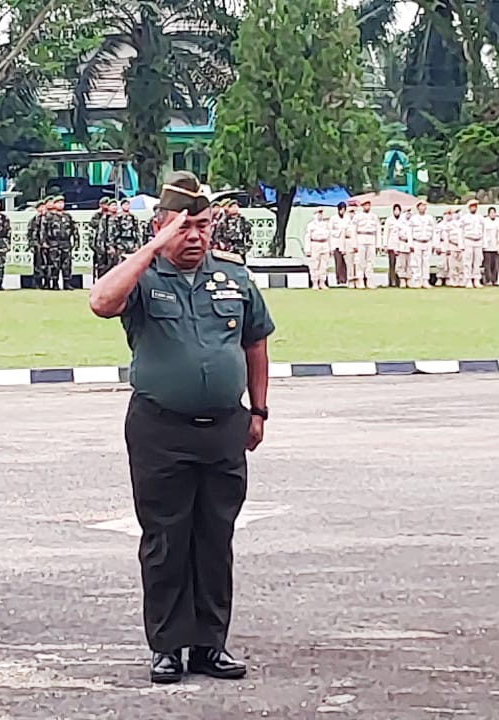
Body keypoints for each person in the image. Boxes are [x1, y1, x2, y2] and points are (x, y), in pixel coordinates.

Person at [88, 171, 274, 685]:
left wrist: (258, 410)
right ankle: (167, 645)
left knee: (215, 537)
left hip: (223, 428)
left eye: (203, 226)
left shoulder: (234, 277)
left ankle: (210, 645)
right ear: (162, 227)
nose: (194, 236)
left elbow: (256, 344)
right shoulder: (142, 278)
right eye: (183, 227)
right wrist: (154, 247)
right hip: (160, 428)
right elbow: (101, 303)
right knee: (166, 539)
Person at [350, 199, 379, 289]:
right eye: (365, 205)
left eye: (368, 205)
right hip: (361, 238)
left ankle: (369, 281)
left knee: (370, 262)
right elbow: (353, 231)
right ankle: (360, 281)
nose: (367, 207)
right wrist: (354, 244)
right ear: (362, 206)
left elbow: (378, 231)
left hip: (371, 239)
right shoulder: (357, 217)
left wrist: (378, 245)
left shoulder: (374, 216)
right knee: (360, 262)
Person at [407, 201, 435, 289]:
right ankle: (417, 280)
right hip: (417, 242)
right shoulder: (413, 219)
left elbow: (434, 231)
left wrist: (434, 244)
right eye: (421, 206)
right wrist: (410, 244)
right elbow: (409, 232)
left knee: (426, 262)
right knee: (417, 262)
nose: (422, 208)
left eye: (424, 206)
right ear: (418, 208)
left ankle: (425, 280)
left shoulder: (430, 218)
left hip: (427, 242)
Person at [458, 198, 484, 289]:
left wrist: (483, 244)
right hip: (468, 240)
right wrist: (461, 244)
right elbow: (460, 232)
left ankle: (476, 279)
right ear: (469, 208)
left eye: (475, 206)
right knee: (467, 262)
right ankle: (468, 279)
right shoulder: (464, 218)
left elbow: (483, 231)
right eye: (472, 206)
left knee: (477, 261)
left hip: (478, 241)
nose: (474, 208)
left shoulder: (480, 218)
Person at [303, 207, 332, 290]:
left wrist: (330, 248)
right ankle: (315, 282)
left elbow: (329, 237)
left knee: (324, 265)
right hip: (315, 244)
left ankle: (322, 282)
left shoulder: (326, 225)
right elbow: (307, 237)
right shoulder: (311, 225)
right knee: (314, 264)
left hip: (325, 244)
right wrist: (307, 249)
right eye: (318, 213)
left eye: (321, 213)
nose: (320, 215)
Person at [383, 204, 407, 288]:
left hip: (401, 245)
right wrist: (385, 245)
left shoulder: (403, 220)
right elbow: (386, 233)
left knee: (400, 264)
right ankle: (391, 281)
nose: (396, 211)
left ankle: (399, 280)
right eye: (395, 210)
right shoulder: (389, 220)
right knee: (392, 264)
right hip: (391, 245)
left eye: (398, 210)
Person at [330, 202, 350, 286]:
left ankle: (345, 279)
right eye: (341, 209)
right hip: (336, 242)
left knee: (345, 263)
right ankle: (339, 279)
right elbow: (330, 231)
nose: (343, 211)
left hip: (345, 243)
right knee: (338, 262)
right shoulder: (333, 219)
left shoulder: (347, 218)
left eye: (344, 210)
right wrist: (339, 232)